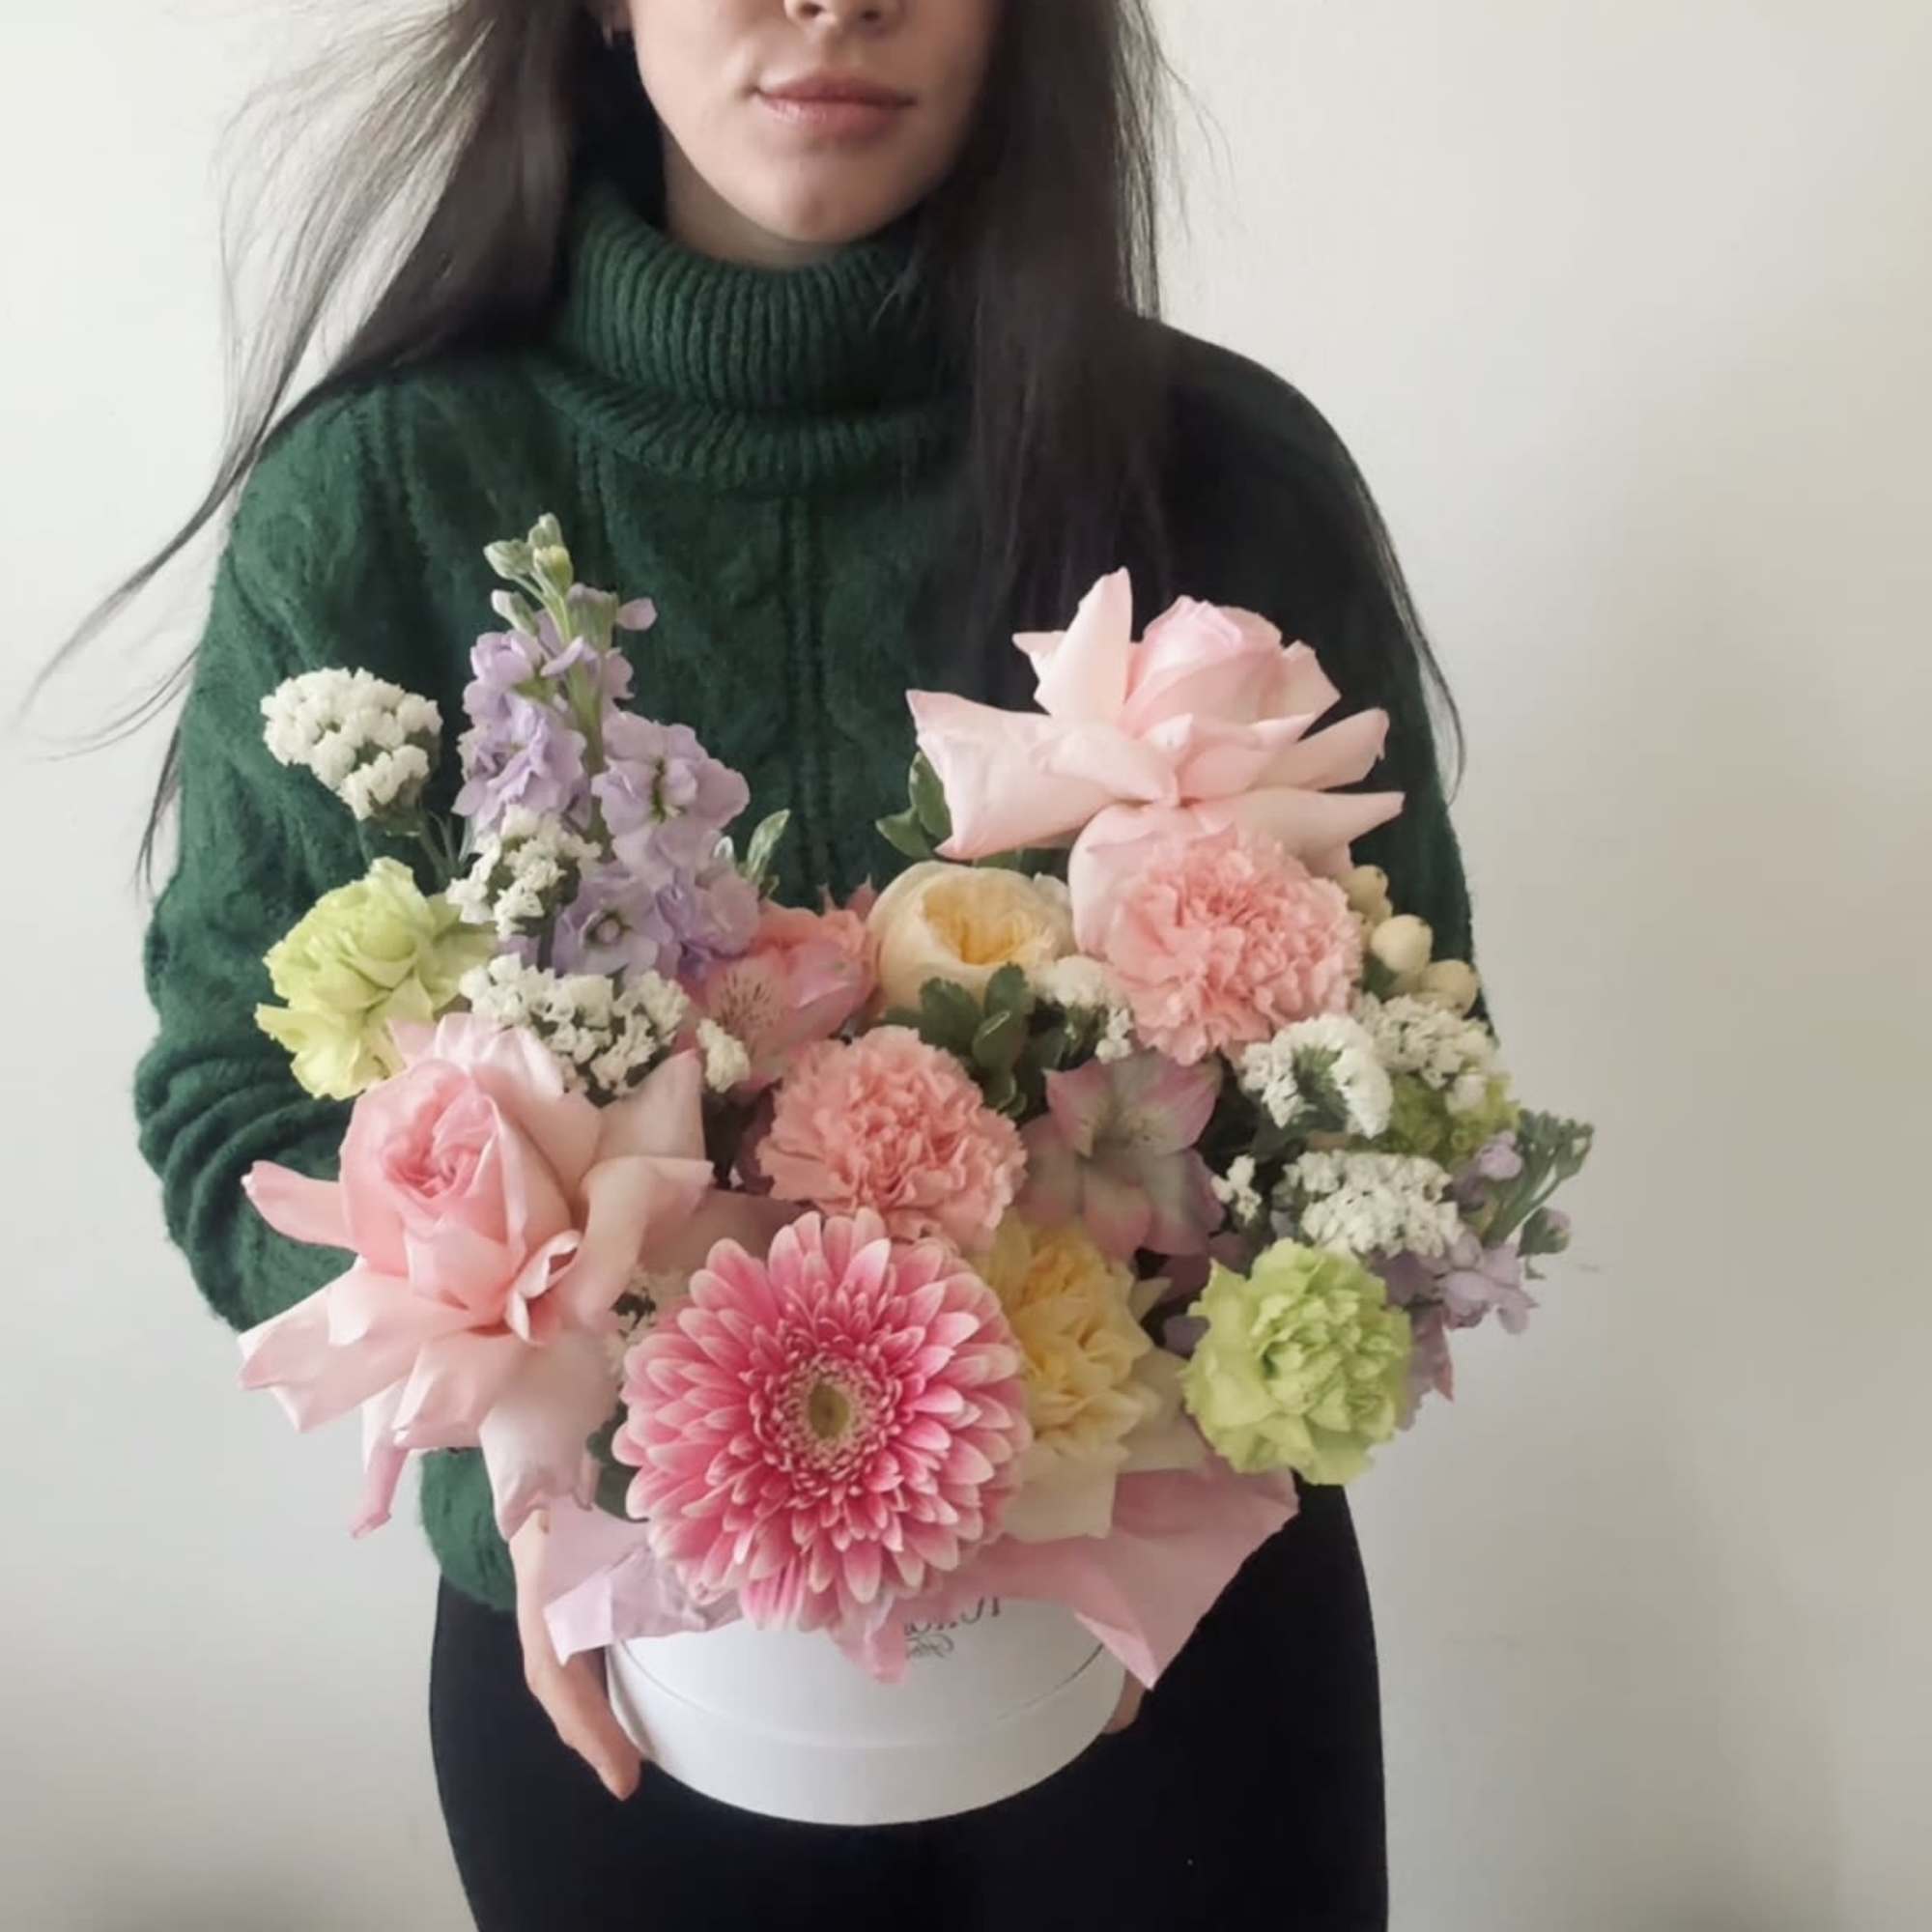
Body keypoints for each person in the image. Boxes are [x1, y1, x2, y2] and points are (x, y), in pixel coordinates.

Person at [119, 3, 1479, 1926]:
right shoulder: (386, 498)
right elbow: (229, 1103)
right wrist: (549, 1447)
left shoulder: (1233, 480)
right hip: (617, 1686)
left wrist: (1134, 1420)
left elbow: (1418, 1081)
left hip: (1174, 1685)